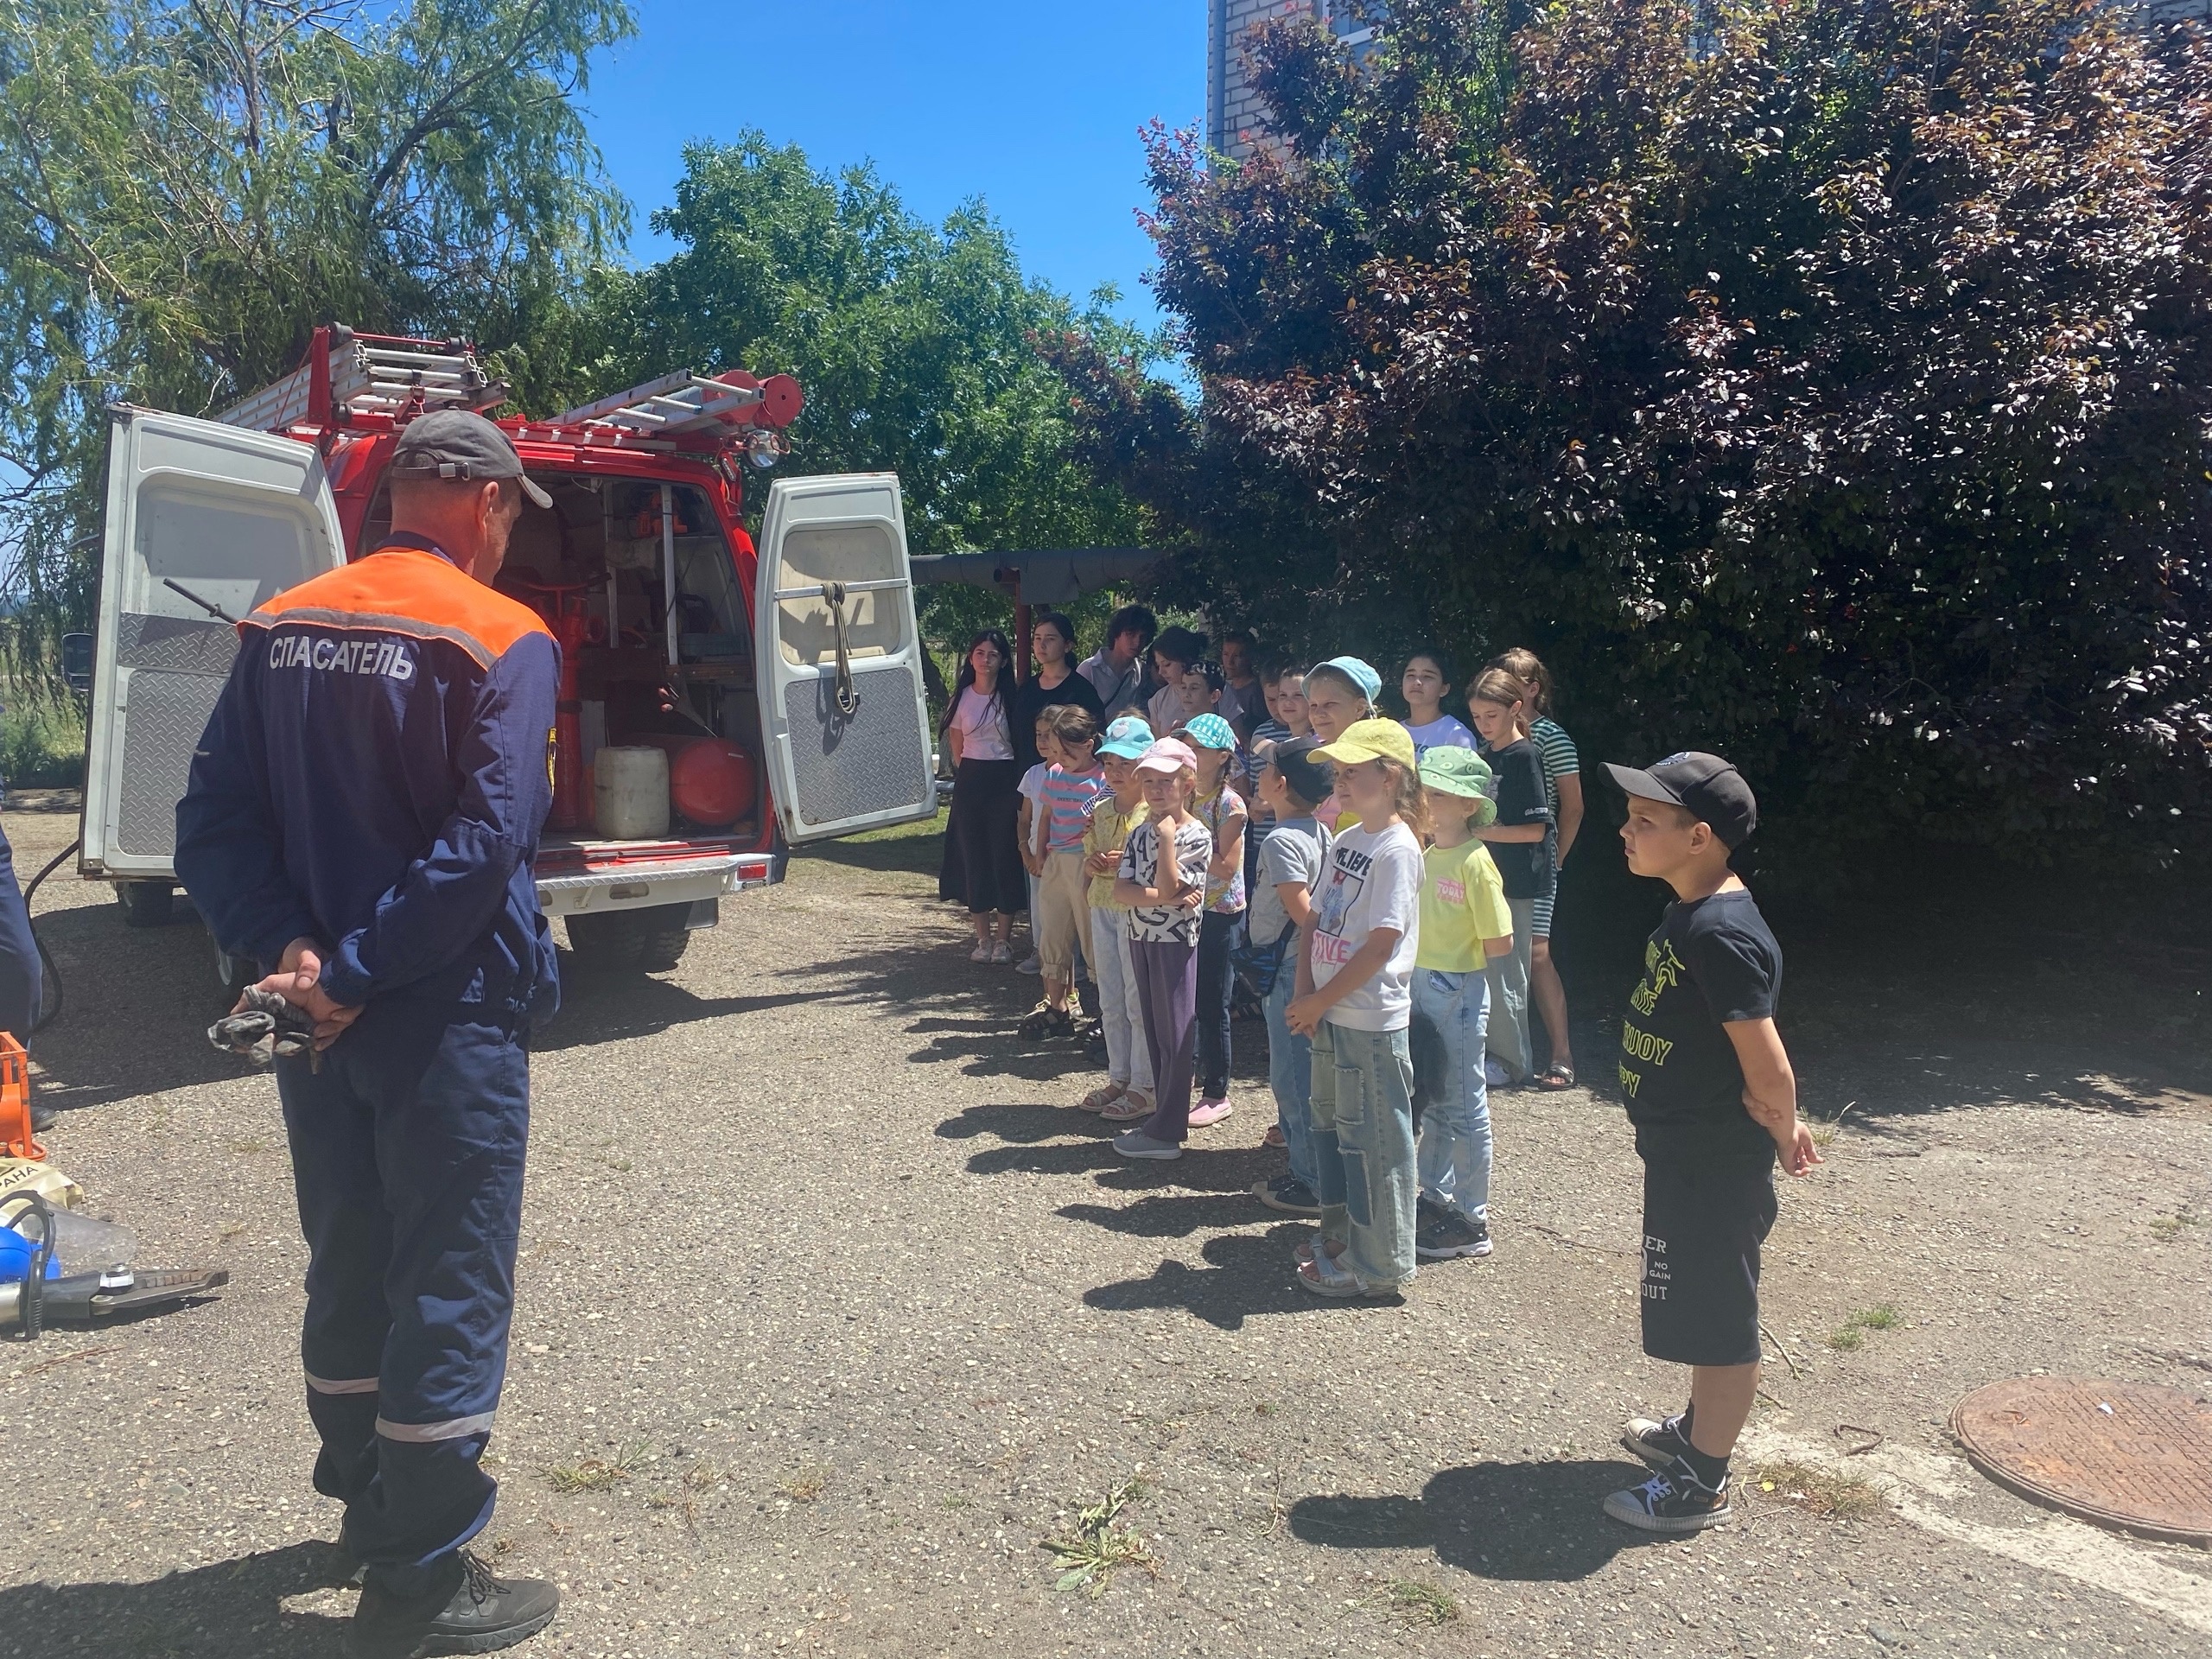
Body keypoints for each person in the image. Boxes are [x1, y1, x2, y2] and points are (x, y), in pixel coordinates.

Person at [174, 410, 563, 1657]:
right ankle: (423, 1578)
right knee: (446, 1283)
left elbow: (212, 819)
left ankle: (360, 1512)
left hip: (312, 1020)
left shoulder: (283, 622)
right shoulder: (505, 635)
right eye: (513, 518)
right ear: (490, 505)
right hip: (440, 1020)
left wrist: (291, 954)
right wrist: (355, 970)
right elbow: (482, 849)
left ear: (398, 495)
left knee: (348, 1257)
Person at [1599, 752, 1820, 1533]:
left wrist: (1783, 1123)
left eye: (1645, 822)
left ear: (1699, 837)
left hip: (1713, 1157)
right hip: (1682, 1147)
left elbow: (1765, 1056)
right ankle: (1696, 1435)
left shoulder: (1720, 930)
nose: (1625, 831)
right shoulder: (1692, 913)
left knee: (1720, 1315)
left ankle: (1704, 1481)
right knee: (1693, 1299)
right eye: (1629, 817)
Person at [1286, 718, 1427, 1299]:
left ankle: (1381, 1265)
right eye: (1338, 773)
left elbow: (1381, 942)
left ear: (1391, 777)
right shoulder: (1346, 841)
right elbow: (1316, 920)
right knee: (1333, 1133)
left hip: (1369, 1020)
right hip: (1329, 1014)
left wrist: (1320, 997)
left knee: (1374, 1143)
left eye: (1354, 772)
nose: (1341, 783)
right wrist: (1305, 995)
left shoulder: (1398, 848)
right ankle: (1342, 1240)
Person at [1409, 748, 1516, 1262]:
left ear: (1471, 805)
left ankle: (1472, 1218)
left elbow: (1500, 941)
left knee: (1465, 1101)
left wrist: (1454, 954)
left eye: (1441, 794)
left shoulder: (1477, 862)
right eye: (1426, 791)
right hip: (1424, 980)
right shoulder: (1429, 855)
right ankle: (1436, 1196)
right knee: (1434, 1094)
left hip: (1458, 986)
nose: (1428, 802)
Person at [1109, 739, 1213, 1161]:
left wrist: (1167, 840)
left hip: (1175, 944)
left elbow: (1173, 887)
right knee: (1154, 1031)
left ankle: (1170, 1128)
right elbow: (1122, 891)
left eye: (1167, 782)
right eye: (1149, 781)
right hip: (1142, 937)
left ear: (1188, 784)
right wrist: (1162, 898)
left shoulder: (1194, 834)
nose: (1156, 790)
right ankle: (1160, 1118)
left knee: (1175, 1034)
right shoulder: (1137, 833)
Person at [1248, 737, 1334, 1216]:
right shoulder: (1321, 831)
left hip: (1287, 969)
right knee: (1301, 1071)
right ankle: (1312, 1170)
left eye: (1266, 769)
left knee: (1293, 1076)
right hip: (1306, 966)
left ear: (1279, 785)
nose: (1259, 774)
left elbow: (1304, 911)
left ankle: (1311, 1180)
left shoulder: (1282, 840)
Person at [1491, 647, 1582, 1090]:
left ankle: (1561, 1054)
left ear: (1532, 689)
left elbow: (1574, 805)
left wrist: (1558, 855)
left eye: (1513, 680)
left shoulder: (1550, 736)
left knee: (1537, 954)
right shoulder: (1493, 735)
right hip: (1498, 862)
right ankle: (1503, 1052)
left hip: (1536, 862)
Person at [1466, 667, 1555, 1088]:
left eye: (1491, 716)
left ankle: (1513, 1061)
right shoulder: (1486, 754)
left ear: (1516, 709)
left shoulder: (1526, 756)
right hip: (1484, 876)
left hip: (1516, 881)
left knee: (1507, 971)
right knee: (1483, 967)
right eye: (1478, 717)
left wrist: (1484, 833)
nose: (1484, 725)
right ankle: (1488, 1052)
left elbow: (1537, 829)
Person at [1082, 717, 1156, 1119]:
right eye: (1110, 763)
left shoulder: (1153, 812)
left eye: (1125, 764)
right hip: (1102, 904)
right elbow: (1090, 851)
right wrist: (1094, 862)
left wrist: (1123, 861)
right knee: (1110, 996)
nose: (1115, 771)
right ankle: (1119, 1075)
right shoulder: (1101, 809)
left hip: (1136, 911)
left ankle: (1145, 1084)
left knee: (1136, 999)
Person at [1177, 713, 1248, 1128]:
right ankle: (1187, 1073)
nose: (1190, 752)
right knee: (1183, 998)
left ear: (1223, 757)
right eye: (1187, 744)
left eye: (1199, 747)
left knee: (1211, 1002)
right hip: (1184, 908)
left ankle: (1217, 1091)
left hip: (1219, 914)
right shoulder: (1182, 794)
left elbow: (1227, 867)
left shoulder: (1229, 803)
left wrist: (1179, 854)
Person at [938, 628, 1026, 962]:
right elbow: (959, 750)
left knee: (1004, 855)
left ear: (1003, 660)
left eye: (992, 654)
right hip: (972, 781)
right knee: (973, 855)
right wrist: (971, 777)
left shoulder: (1011, 698)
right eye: (979, 653)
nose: (985, 659)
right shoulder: (960, 699)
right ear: (971, 657)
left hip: (1005, 779)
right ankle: (982, 940)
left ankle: (1004, 940)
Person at [1020, 706, 1106, 1039]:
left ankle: (1104, 1013)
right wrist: (1040, 854)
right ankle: (1057, 1007)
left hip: (1086, 864)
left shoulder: (1101, 779)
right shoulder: (1054, 775)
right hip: (1056, 861)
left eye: (1065, 751)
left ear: (1088, 744)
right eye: (1055, 750)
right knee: (1052, 933)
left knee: (1090, 936)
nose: (1058, 757)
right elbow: (1046, 818)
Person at [1011, 610, 1103, 772]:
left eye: (1050, 639)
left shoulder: (1081, 690)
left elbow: (1095, 737)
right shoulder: (1026, 688)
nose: (1042, 644)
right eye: (1038, 638)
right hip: (1027, 779)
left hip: (1069, 779)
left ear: (1067, 645)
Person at [1302, 656, 1382, 830]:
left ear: (1359, 708)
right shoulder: (1314, 750)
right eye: (1313, 705)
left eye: (1329, 704)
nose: (1318, 713)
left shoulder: (1376, 757)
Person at [1014, 715, 1058, 975]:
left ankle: (1073, 962)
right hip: (1034, 855)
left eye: (1048, 734)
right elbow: (1025, 818)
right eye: (1038, 734)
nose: (1042, 741)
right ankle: (1039, 952)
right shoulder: (1033, 773)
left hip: (1063, 855)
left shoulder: (1073, 773)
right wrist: (1025, 851)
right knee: (1039, 908)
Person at [1078, 604, 1155, 719]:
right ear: (1116, 634)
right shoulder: (1090, 669)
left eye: (1142, 637)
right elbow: (1075, 712)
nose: (1137, 642)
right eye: (1130, 634)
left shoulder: (1141, 672)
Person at [1400, 648, 1476, 756]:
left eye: (1427, 676)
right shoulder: (1395, 731)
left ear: (1444, 689)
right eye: (1411, 675)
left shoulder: (1457, 735)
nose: (1417, 682)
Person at [1144, 626, 1206, 737]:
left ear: (1186, 659)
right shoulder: (1158, 700)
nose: (1161, 672)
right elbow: (1155, 746)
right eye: (1158, 666)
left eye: (1167, 664)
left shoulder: (1216, 689)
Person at [1217, 628, 1263, 735]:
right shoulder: (1223, 688)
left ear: (1249, 657)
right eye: (1226, 654)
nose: (1230, 662)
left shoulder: (1256, 691)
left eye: (1236, 656)